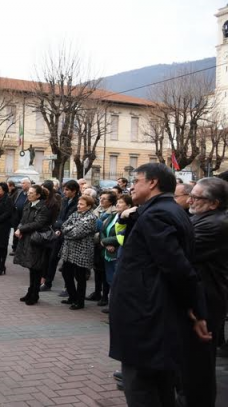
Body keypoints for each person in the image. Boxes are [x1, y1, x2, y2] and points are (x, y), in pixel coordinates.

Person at [109, 163, 210, 407]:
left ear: (152, 182)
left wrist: (196, 311)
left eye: (137, 180)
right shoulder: (162, 210)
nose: (132, 186)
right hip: (153, 315)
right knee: (160, 386)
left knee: (142, 388)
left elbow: (178, 268)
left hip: (146, 318)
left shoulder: (158, 214)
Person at [181, 177, 228, 407]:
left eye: (196, 197)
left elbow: (180, 253)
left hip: (207, 302)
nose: (190, 200)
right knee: (191, 362)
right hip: (201, 299)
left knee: (199, 365)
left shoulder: (216, 224)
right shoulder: (202, 218)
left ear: (213, 203)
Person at [57, 195, 97, 310]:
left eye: (81, 204)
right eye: (78, 204)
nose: (78, 206)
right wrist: (70, 230)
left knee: (80, 277)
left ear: (88, 206)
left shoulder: (91, 218)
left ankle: (80, 301)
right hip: (69, 250)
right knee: (66, 273)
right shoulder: (75, 214)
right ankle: (72, 296)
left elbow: (77, 233)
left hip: (82, 251)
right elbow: (63, 226)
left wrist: (69, 231)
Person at [13, 185, 51, 304]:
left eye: (31, 193)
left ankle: (35, 294)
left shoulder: (43, 207)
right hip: (27, 239)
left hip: (36, 240)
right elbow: (22, 220)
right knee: (31, 267)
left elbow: (38, 223)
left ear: (38, 195)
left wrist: (22, 229)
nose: (29, 195)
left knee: (36, 267)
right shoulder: (28, 204)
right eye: (28, 193)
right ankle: (30, 291)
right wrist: (20, 228)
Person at [41, 179, 80, 291]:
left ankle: (68, 287)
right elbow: (59, 216)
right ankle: (48, 283)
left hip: (69, 236)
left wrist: (60, 225)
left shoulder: (78, 202)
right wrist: (57, 227)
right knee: (53, 259)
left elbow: (71, 219)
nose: (65, 191)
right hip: (59, 234)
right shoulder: (64, 200)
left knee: (68, 264)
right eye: (64, 189)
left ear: (74, 191)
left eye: (67, 190)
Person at [99, 194, 132, 314]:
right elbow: (103, 230)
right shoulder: (113, 216)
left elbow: (123, 235)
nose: (118, 204)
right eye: (117, 202)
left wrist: (107, 241)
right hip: (107, 251)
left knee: (117, 281)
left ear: (128, 206)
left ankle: (117, 307)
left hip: (117, 252)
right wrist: (104, 242)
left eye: (121, 202)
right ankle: (112, 304)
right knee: (110, 280)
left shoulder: (129, 219)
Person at [88, 191, 117, 306]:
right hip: (95, 242)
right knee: (97, 269)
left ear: (110, 201)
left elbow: (106, 230)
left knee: (105, 271)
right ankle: (97, 292)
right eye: (101, 198)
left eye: (105, 199)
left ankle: (105, 295)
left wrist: (105, 241)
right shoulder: (97, 210)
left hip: (105, 244)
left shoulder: (113, 212)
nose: (101, 200)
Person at [10, 178, 30, 256]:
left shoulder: (31, 193)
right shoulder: (19, 192)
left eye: (23, 183)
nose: (22, 185)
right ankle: (15, 248)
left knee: (24, 233)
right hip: (17, 216)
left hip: (25, 216)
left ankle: (23, 250)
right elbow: (13, 200)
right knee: (16, 232)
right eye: (21, 183)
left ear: (29, 184)